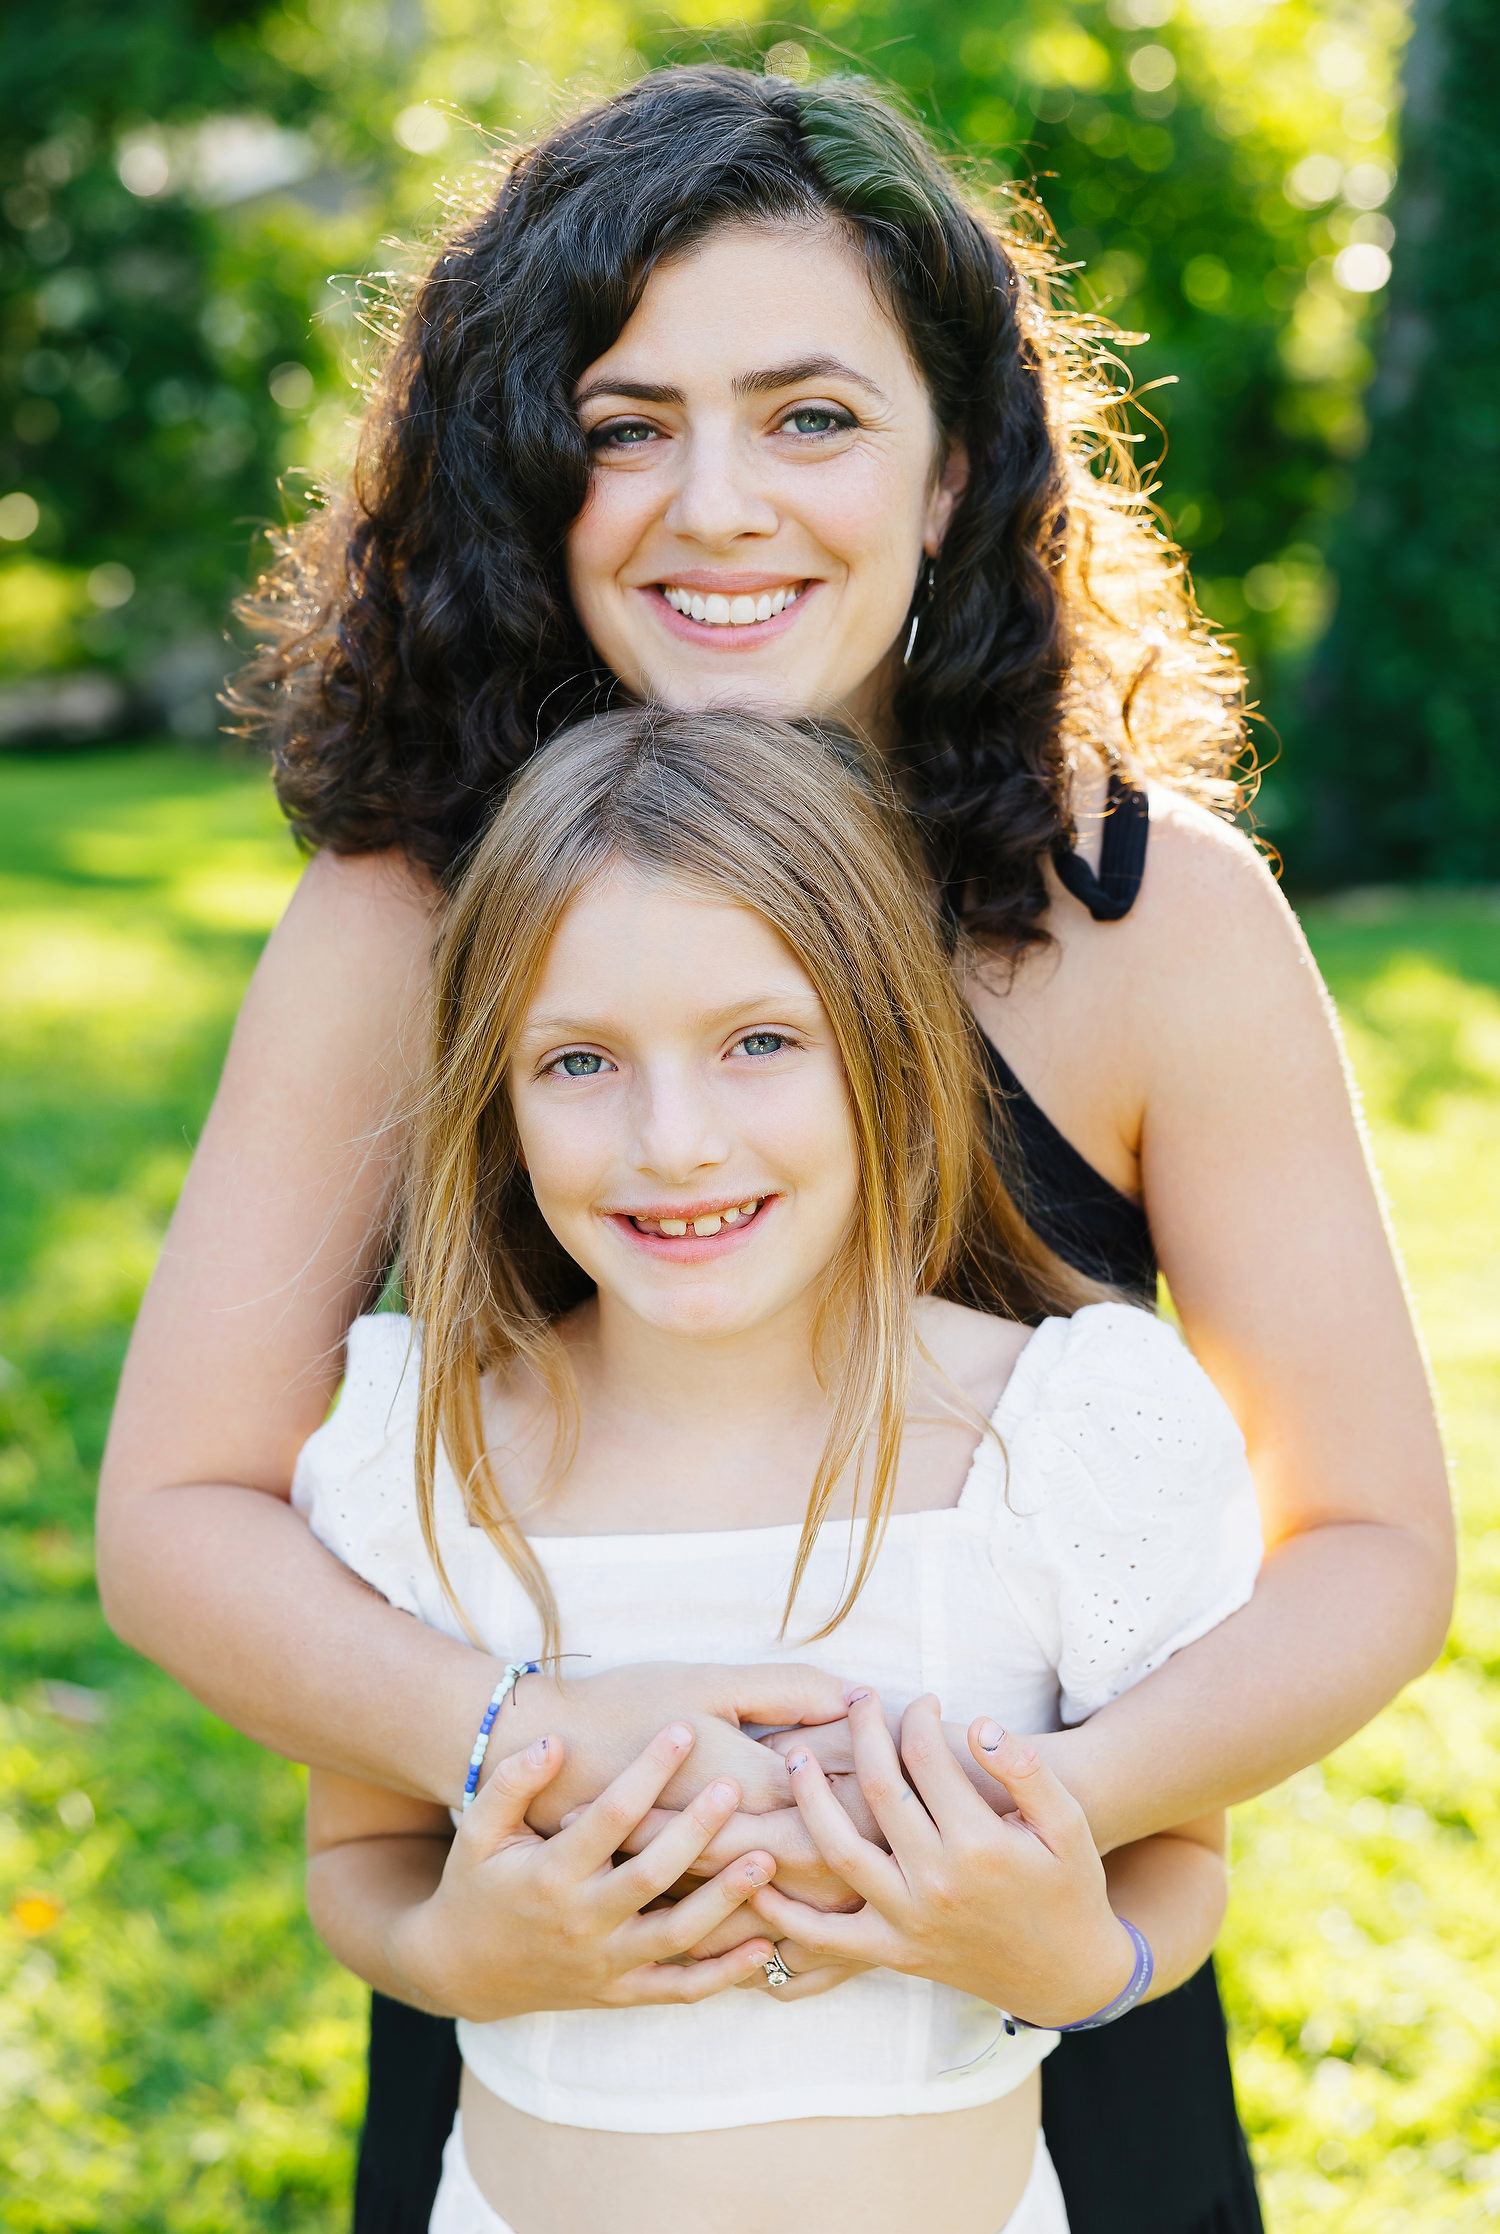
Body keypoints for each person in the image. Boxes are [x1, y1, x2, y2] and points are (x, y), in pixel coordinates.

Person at [94, 63, 1451, 2234]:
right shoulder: (405, 919)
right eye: (626, 427)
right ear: (523, 473)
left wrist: (1024, 1823)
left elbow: (1367, 1540)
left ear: (951, 471)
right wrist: (521, 1745)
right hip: (554, 2004)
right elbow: (178, 1514)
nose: (715, 505)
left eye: (811, 416)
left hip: (1038, 1999)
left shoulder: (1150, 918)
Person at [297, 702, 1263, 2234]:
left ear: (882, 1046)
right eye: (579, 1060)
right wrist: (451, 1954)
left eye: (758, 1042)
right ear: (499, 1092)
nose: (674, 1139)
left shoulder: (1064, 1433)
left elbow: (1181, 1853)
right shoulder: (421, 1449)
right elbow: (360, 1854)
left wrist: (1078, 1961)